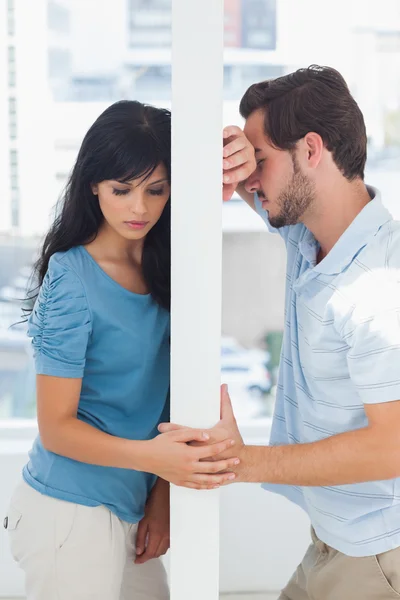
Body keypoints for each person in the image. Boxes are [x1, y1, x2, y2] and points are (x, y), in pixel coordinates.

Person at [161, 65, 400, 599]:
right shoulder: (310, 233)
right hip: (334, 540)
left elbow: (393, 445)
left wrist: (240, 462)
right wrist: (235, 146)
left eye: (261, 160)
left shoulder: (379, 283)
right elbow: (254, 188)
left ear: (311, 150)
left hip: (377, 555)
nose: (250, 180)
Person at [3, 100, 239, 600]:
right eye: (122, 190)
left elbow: (168, 394)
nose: (140, 208)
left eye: (156, 190)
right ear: (93, 184)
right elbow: (57, 427)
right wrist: (159, 464)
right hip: (68, 513)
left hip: (127, 508)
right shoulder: (72, 278)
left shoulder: (169, 263)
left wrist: (160, 500)